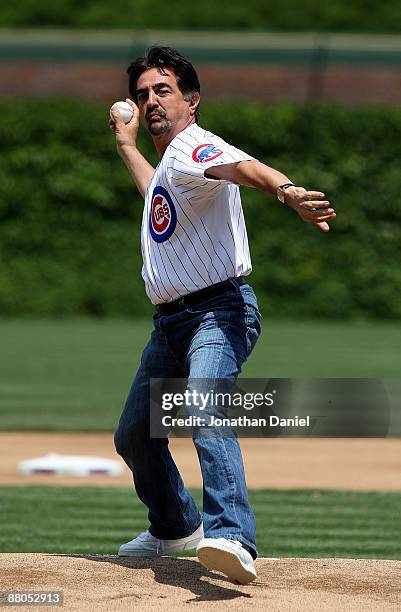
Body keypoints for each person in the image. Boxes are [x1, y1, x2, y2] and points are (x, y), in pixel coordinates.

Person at [110, 46, 335, 585]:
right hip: (172, 324)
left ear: (192, 101)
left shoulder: (194, 144)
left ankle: (232, 536)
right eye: (143, 94)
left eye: (163, 90)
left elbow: (243, 168)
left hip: (218, 312)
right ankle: (174, 527)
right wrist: (125, 145)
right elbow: (156, 198)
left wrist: (285, 191)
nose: (151, 101)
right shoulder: (172, 163)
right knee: (135, 437)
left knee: (203, 407)